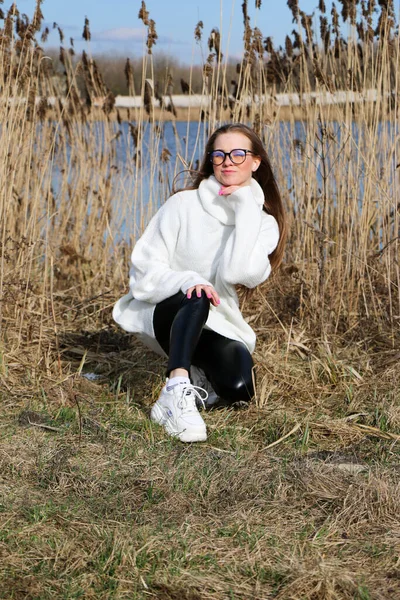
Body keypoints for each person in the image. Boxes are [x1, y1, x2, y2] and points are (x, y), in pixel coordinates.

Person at [113, 123, 287, 443]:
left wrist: (246, 207)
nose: (227, 161)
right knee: (197, 293)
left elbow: (238, 272)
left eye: (238, 154)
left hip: (218, 323)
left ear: (256, 161)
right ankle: (175, 390)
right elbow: (143, 270)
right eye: (218, 154)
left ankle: (196, 377)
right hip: (167, 310)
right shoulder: (183, 205)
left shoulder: (263, 224)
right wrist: (188, 281)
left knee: (239, 389)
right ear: (211, 160)